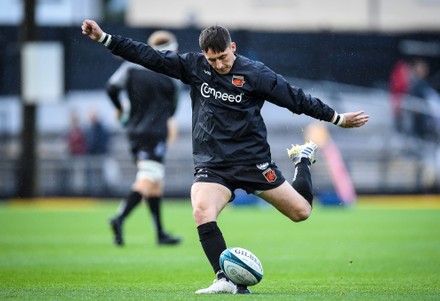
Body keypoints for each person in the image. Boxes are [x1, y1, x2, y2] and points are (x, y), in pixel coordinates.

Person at [81, 20, 369, 294]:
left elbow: (295, 98)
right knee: (201, 211)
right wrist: (105, 38)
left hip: (252, 162)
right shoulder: (194, 66)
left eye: (222, 57)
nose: (218, 64)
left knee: (301, 212)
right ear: (203, 54)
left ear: (232, 48)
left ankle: (303, 159)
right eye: (212, 59)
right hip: (212, 165)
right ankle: (224, 280)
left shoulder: (256, 74)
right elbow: (149, 56)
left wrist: (336, 117)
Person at [106, 30, 181, 246]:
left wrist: (121, 108)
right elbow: (173, 109)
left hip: (133, 132)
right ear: (172, 49)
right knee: (149, 176)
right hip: (154, 133)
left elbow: (111, 88)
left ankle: (160, 233)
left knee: (156, 183)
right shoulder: (170, 73)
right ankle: (119, 218)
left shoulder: (130, 67)